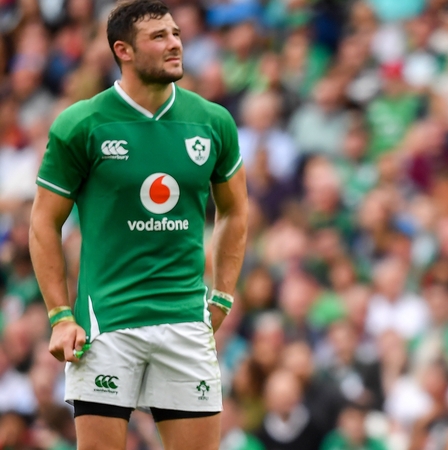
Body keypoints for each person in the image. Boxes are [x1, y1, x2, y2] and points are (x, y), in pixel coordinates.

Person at [28, 1, 248, 449]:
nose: (175, 45)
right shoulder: (82, 124)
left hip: (186, 322)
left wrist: (223, 293)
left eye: (176, 34)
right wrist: (60, 316)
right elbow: (43, 222)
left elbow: (235, 210)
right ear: (123, 50)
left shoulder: (212, 122)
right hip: (105, 326)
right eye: (159, 37)